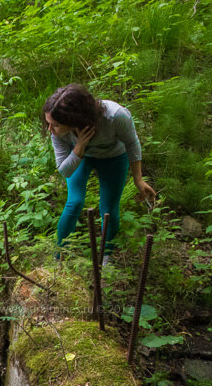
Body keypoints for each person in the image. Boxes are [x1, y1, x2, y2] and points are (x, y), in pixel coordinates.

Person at [41, 84, 156, 257]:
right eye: (49, 123)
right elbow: (65, 171)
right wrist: (79, 146)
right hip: (81, 156)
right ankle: (59, 257)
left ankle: (106, 258)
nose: (50, 129)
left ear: (73, 119)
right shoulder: (57, 132)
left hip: (114, 158)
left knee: (109, 209)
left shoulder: (115, 116)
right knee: (75, 202)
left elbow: (132, 143)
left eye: (55, 125)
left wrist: (138, 179)